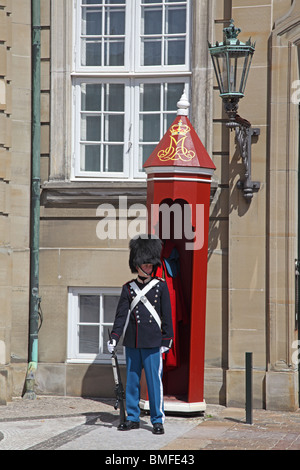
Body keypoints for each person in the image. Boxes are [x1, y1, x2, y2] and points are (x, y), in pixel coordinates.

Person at [107, 234, 174, 434]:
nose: (149, 268)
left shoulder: (160, 287)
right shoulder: (128, 288)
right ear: (137, 265)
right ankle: (133, 417)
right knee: (133, 382)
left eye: (150, 265)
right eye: (145, 265)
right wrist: (115, 337)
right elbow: (121, 317)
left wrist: (167, 339)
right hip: (133, 342)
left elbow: (166, 315)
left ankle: (157, 420)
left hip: (153, 342)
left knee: (154, 383)